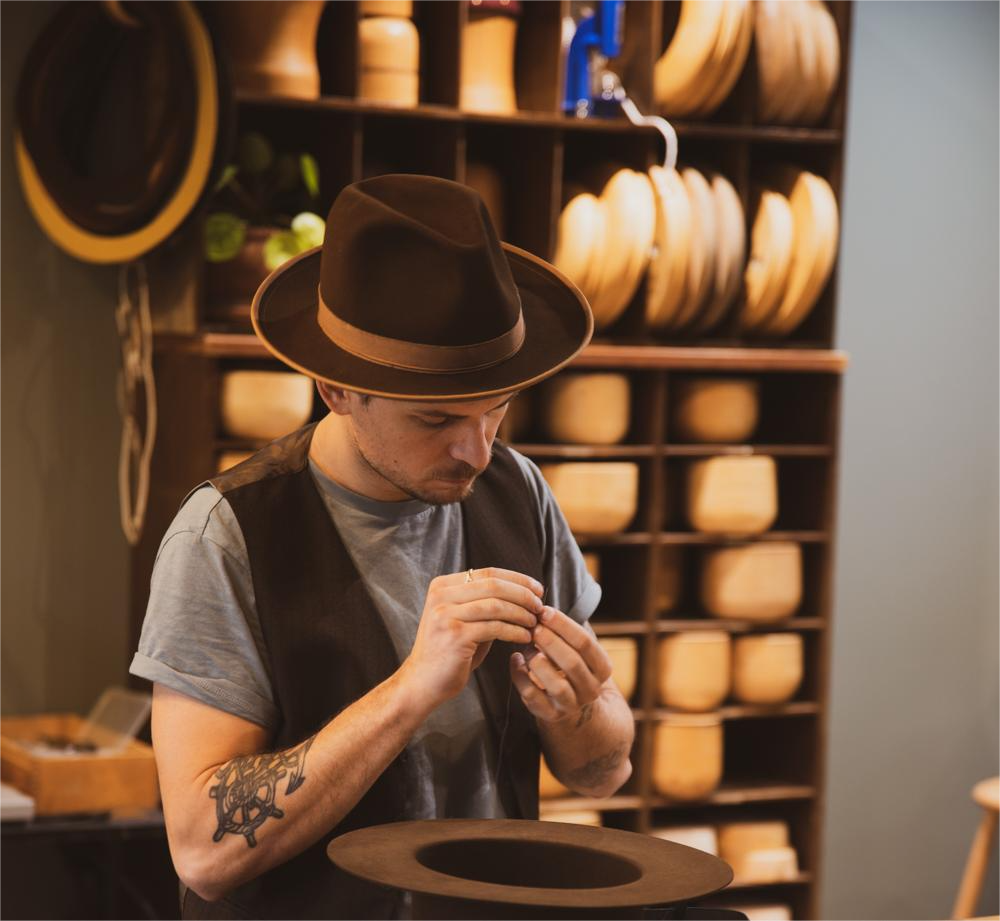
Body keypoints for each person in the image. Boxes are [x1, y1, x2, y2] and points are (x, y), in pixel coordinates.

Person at [130, 174, 635, 921]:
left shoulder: (519, 493)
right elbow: (204, 854)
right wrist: (410, 690)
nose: (476, 450)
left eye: (495, 409)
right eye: (435, 420)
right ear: (336, 389)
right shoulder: (227, 535)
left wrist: (577, 712)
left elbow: (602, 773)